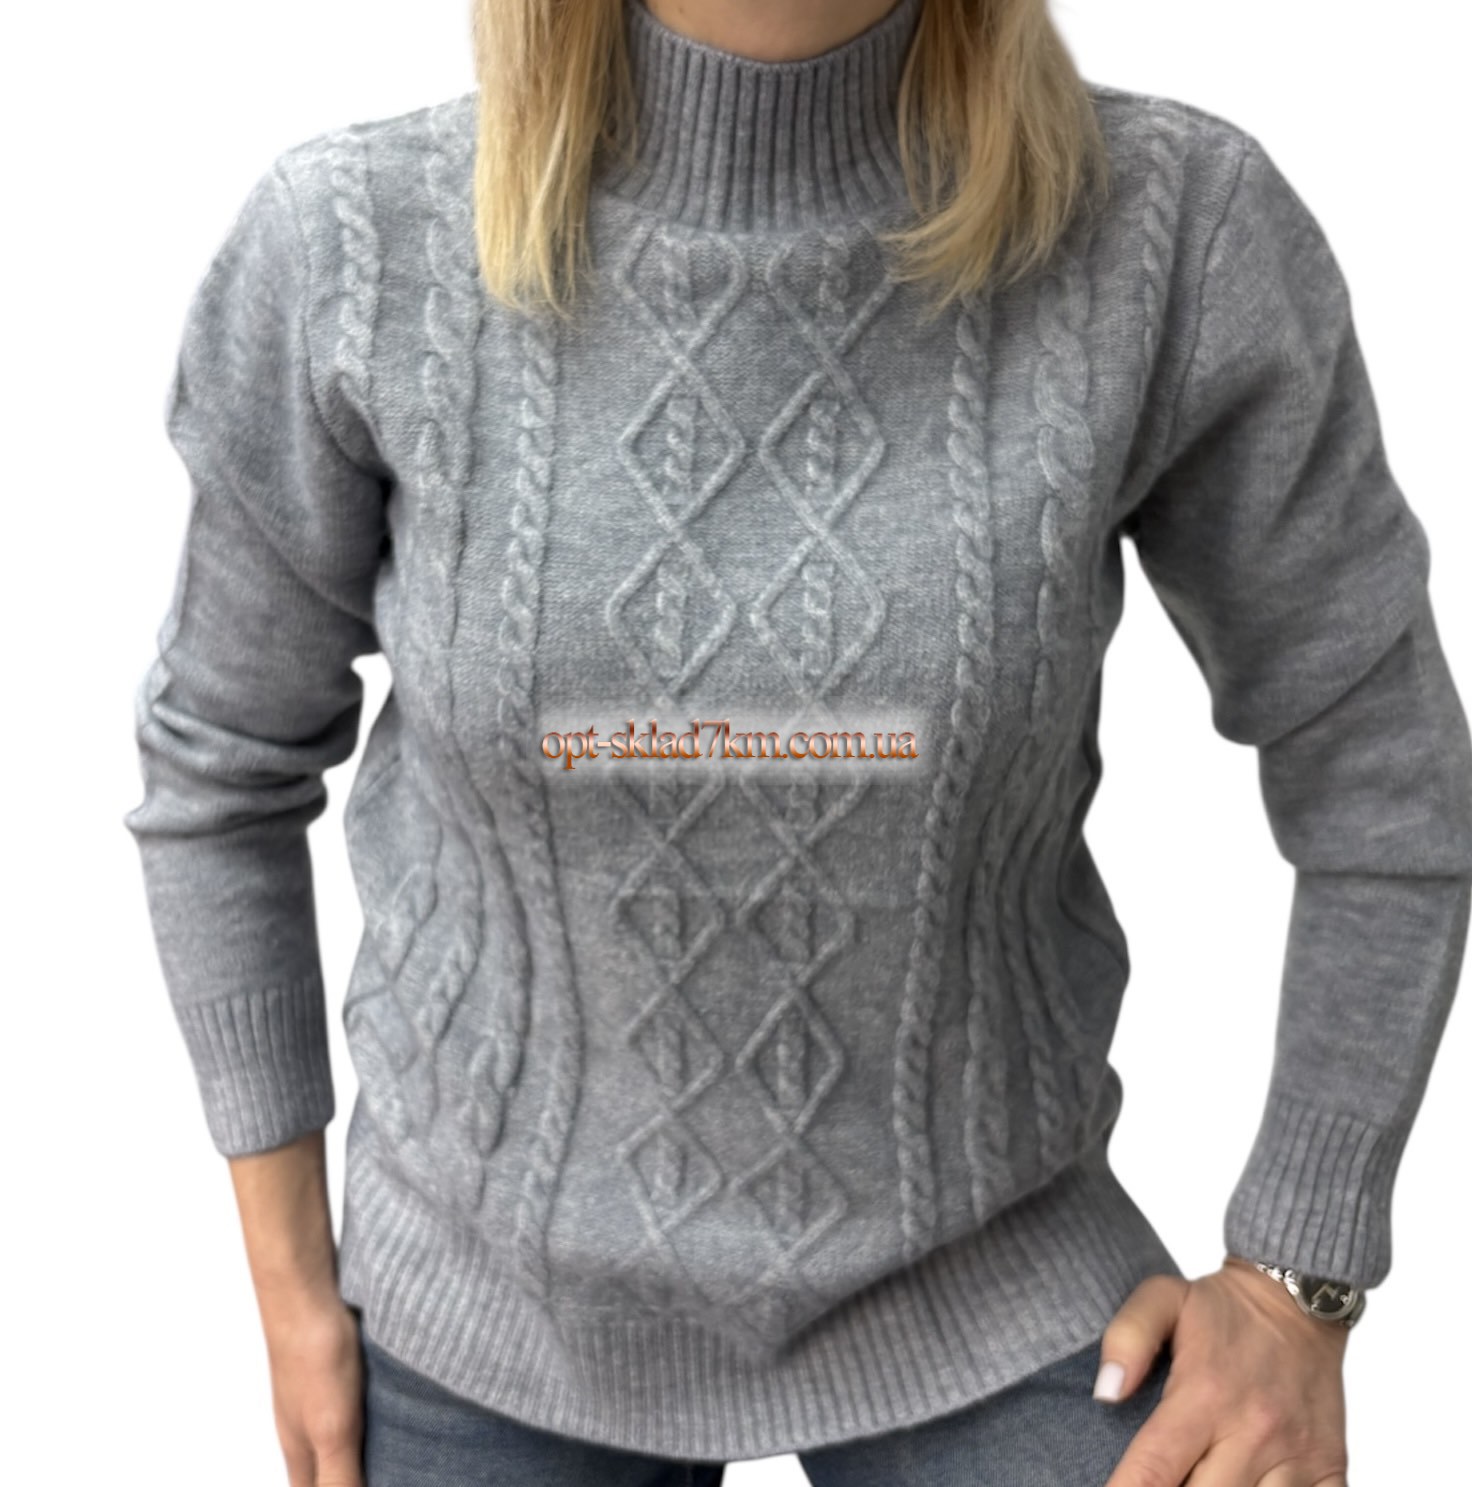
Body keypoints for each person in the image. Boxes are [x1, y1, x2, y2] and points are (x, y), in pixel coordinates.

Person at [122, 0, 1472, 1483]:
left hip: (994, 1275)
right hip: (483, 1310)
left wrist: (1295, 1281)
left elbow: (1388, 783)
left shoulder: (1171, 233)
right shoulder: (355, 245)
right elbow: (221, 765)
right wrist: (291, 1292)